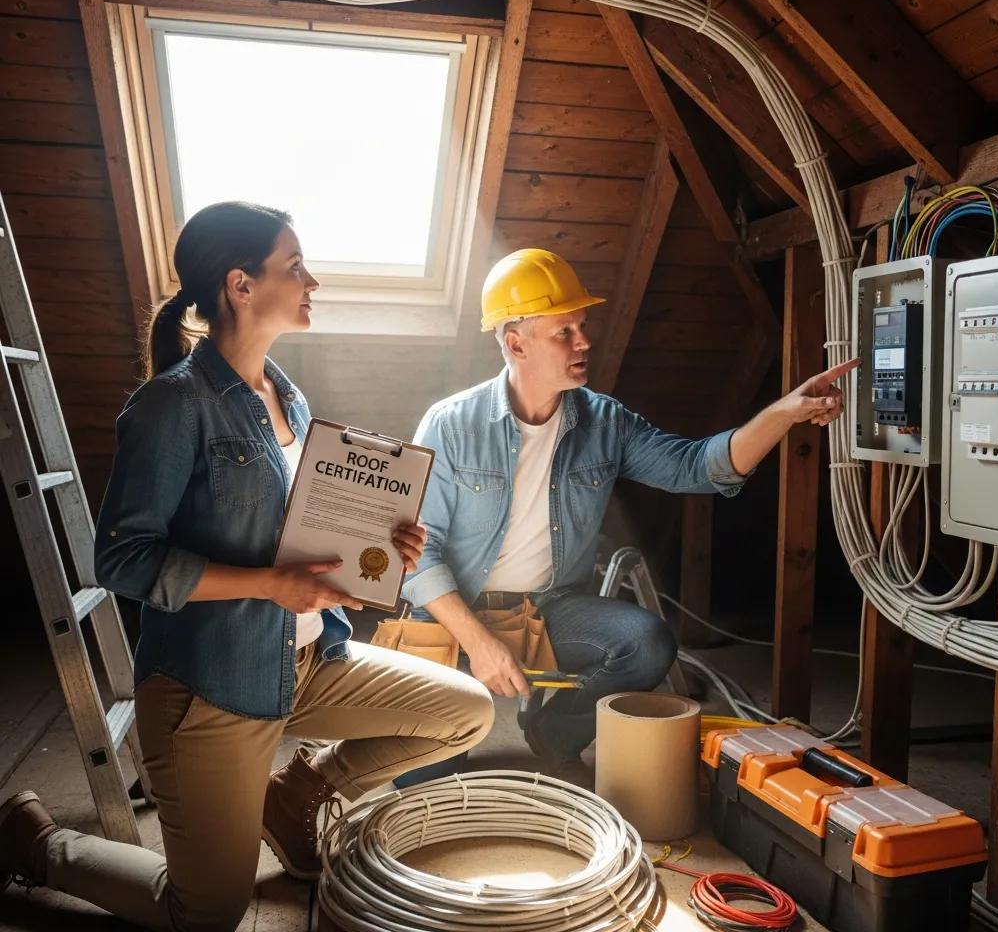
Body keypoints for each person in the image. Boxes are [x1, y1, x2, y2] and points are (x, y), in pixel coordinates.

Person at [0, 202, 494, 930]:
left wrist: (384, 547)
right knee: (206, 914)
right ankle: (39, 842)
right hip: (210, 689)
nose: (311, 281)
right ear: (240, 283)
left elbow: (296, 532)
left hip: (304, 660)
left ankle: (291, 794)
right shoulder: (171, 406)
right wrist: (268, 584)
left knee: (468, 714)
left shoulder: (283, 394)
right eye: (294, 267)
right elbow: (121, 559)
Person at [399, 247, 855, 779]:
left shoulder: (604, 422)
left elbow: (697, 468)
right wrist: (479, 643)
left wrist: (783, 414)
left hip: (548, 608)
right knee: (421, 780)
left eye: (581, 325)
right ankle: (442, 726)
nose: (584, 341)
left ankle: (554, 731)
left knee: (645, 642)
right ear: (516, 342)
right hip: (454, 612)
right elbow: (416, 555)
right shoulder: (452, 424)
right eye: (563, 332)